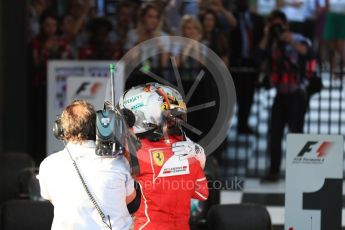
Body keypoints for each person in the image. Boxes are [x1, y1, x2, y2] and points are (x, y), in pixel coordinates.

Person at [119, 83, 209, 230]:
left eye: (173, 117)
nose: (174, 122)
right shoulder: (188, 149)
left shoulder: (129, 151)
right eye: (167, 117)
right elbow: (202, 193)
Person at [39, 100, 136, 229]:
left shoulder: (48, 165)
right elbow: (129, 199)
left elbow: (53, 199)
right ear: (96, 127)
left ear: (60, 129)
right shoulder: (118, 162)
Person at [256, 10, 313, 182]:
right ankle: (274, 171)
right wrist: (267, 36)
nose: (277, 28)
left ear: (286, 24)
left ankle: (298, 173)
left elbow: (309, 53)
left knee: (296, 136)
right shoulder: (271, 43)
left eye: (279, 24)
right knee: (275, 134)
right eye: (274, 25)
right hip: (280, 95)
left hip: (296, 95)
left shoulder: (297, 39)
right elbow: (257, 58)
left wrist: (290, 41)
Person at [230, 0, 264, 134]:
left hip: (252, 63)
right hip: (235, 63)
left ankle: (243, 125)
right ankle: (226, 128)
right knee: (233, 96)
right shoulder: (231, 18)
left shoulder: (257, 19)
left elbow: (261, 38)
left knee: (248, 95)